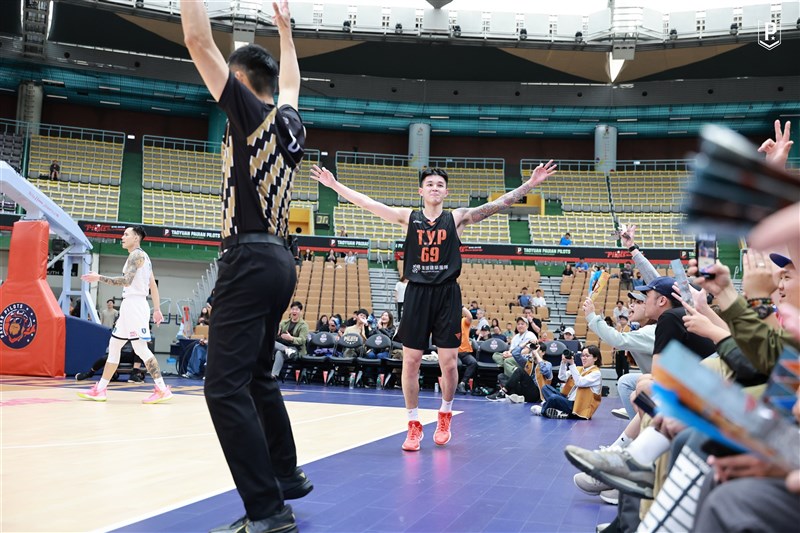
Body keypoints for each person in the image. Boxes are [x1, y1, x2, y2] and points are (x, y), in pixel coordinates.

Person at [310, 158, 557, 451]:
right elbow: (369, 204)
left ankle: (445, 413)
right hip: (416, 293)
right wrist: (334, 185)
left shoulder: (457, 218)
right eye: (430, 184)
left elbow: (499, 204)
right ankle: (413, 425)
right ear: (421, 191)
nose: (435, 188)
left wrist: (530, 184)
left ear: (446, 192)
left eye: (440, 184)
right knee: (411, 361)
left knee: (449, 363)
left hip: (447, 294)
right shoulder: (408, 217)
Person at [181, 1, 311, 531]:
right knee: (257, 374)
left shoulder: (248, 112)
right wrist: (286, 31)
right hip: (282, 260)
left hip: (249, 255)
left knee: (223, 387)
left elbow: (196, 39)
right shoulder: (288, 123)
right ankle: (286, 473)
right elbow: (294, 86)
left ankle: (267, 510)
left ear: (237, 80)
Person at [77, 226, 169, 403]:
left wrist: (99, 277)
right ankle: (101, 389)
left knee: (140, 349)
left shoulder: (137, 255)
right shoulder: (142, 257)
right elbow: (153, 285)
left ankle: (162, 389)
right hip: (130, 305)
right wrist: (157, 309)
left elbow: (126, 281)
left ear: (136, 238)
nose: (122, 237)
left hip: (135, 305)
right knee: (114, 346)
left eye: (126, 234)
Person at [533, 345, 602, 419]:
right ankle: (558, 411)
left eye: (587, 356)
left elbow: (579, 382)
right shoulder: (579, 369)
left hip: (577, 406)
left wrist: (572, 364)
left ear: (595, 358)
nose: (583, 358)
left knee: (553, 398)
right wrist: (563, 363)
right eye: (582, 355)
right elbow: (562, 377)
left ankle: (543, 410)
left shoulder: (596, 373)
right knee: (545, 388)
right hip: (567, 400)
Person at [272, 301, 310, 377]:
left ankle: (273, 375)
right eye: (293, 309)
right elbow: (276, 335)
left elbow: (302, 340)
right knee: (269, 342)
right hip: (283, 346)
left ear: (300, 311)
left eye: (296, 309)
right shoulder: (283, 323)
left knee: (279, 353)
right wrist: (276, 332)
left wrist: (291, 338)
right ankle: (286, 349)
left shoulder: (304, 325)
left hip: (295, 348)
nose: (294, 311)